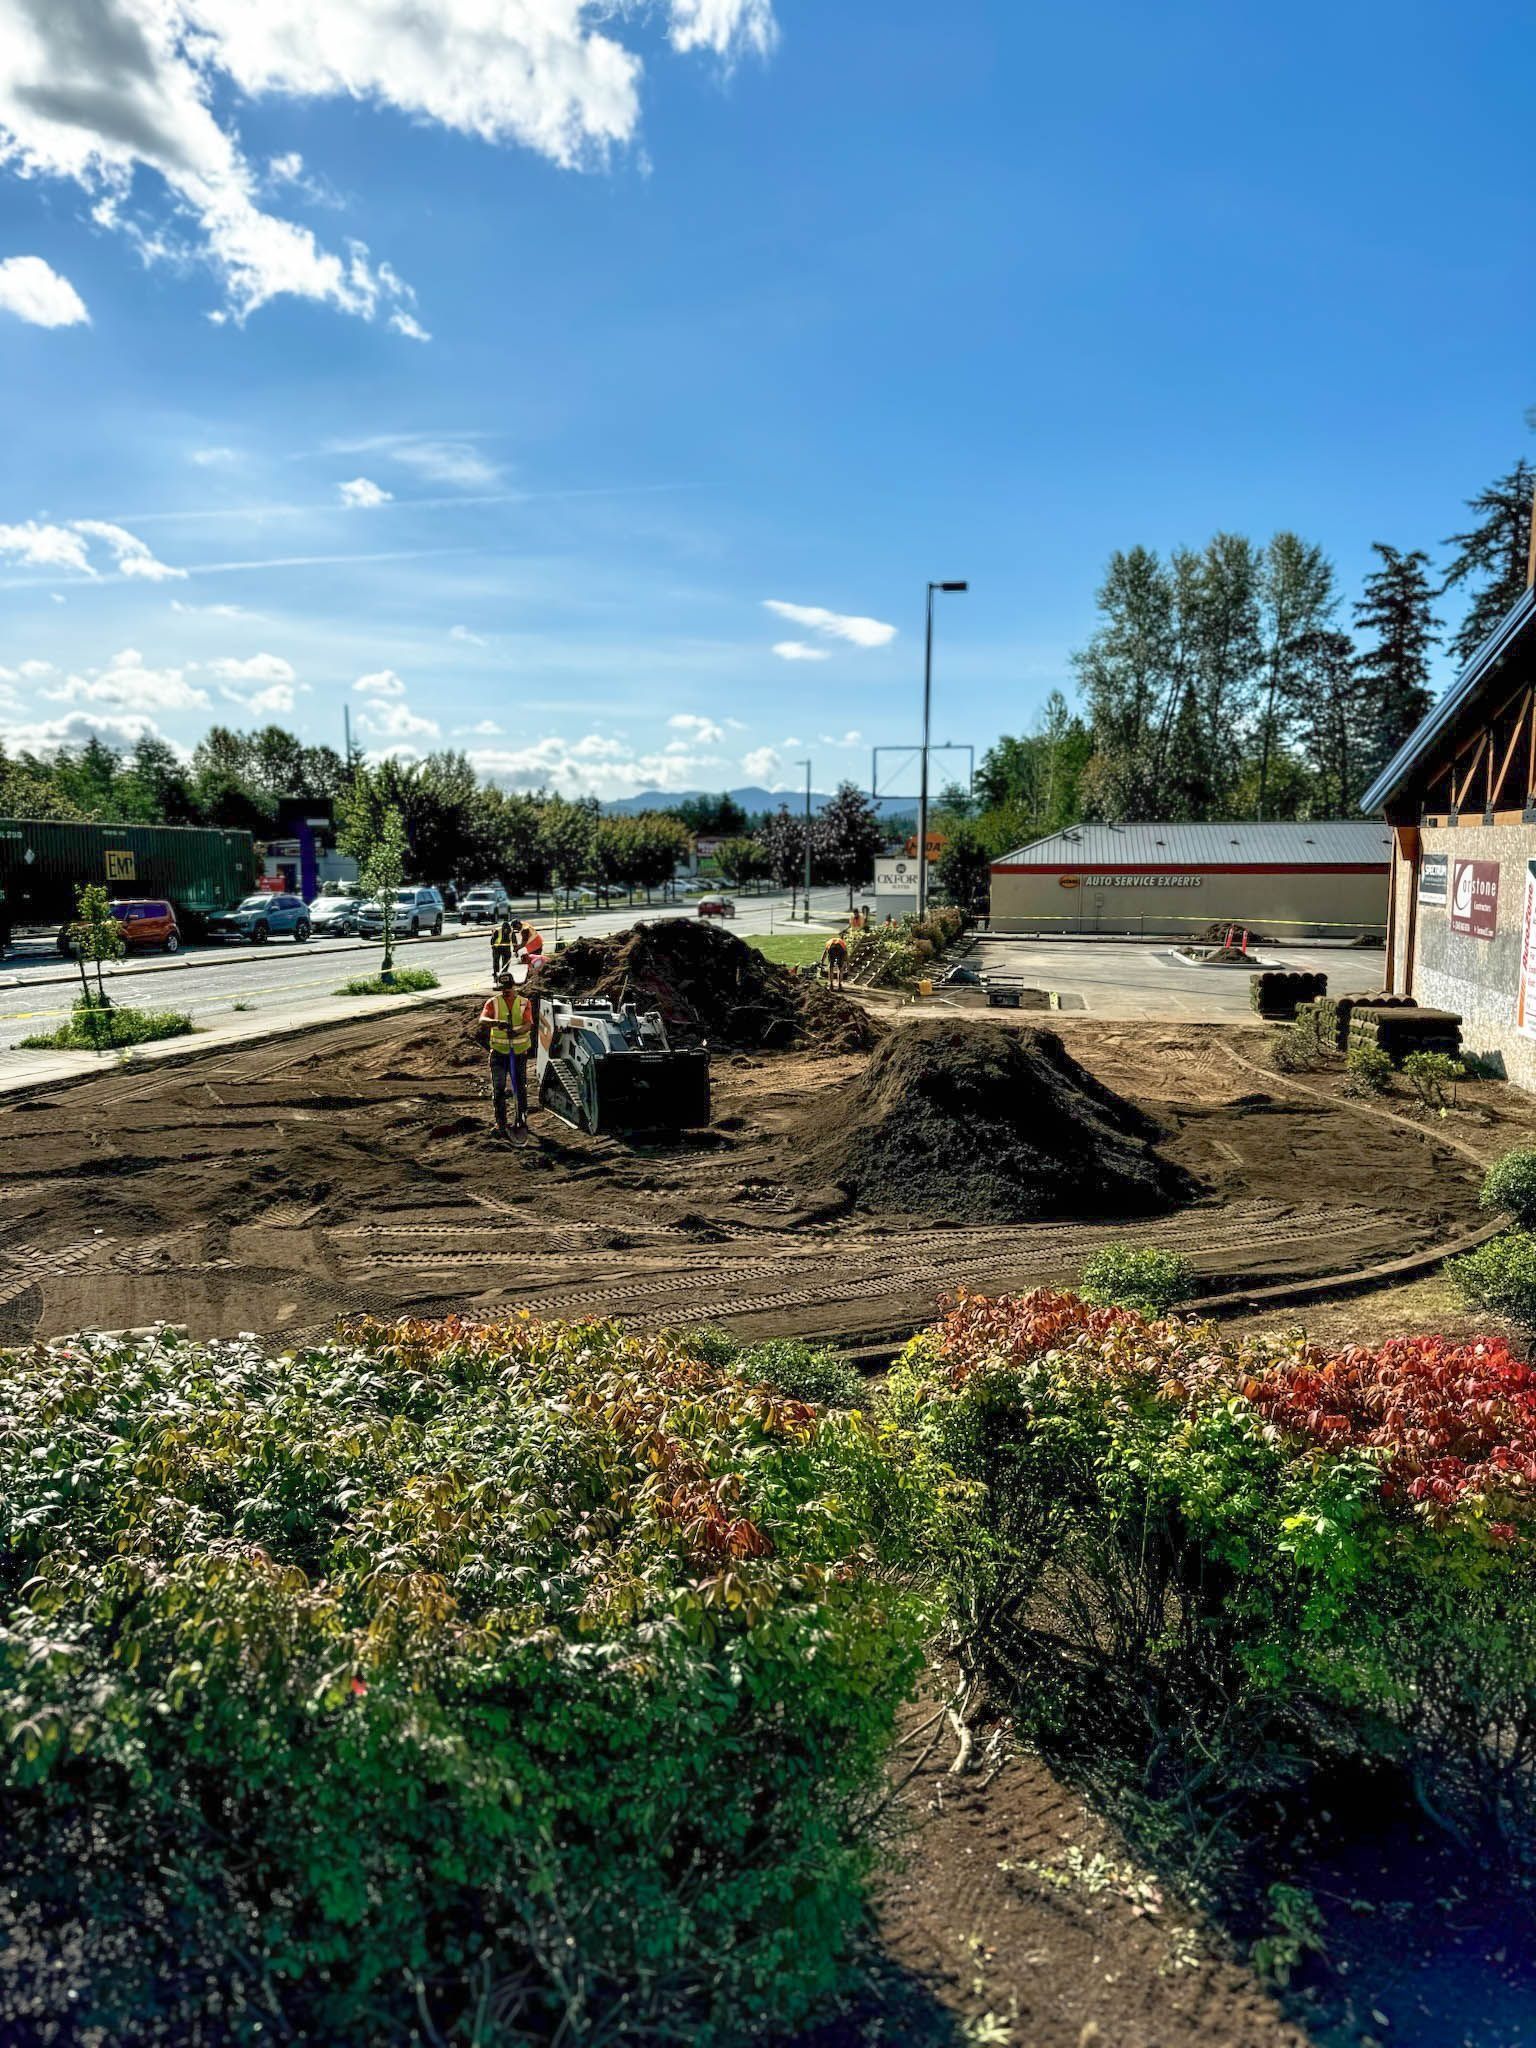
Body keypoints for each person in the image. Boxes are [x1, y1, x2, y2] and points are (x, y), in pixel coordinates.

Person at [477, 966, 535, 1138]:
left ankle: (521, 1120)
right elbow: (482, 1019)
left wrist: (517, 1032)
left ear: (514, 986)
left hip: (518, 1054)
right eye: (503, 989)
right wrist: (496, 1023)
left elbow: (528, 1024)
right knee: (499, 1088)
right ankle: (501, 1123)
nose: (506, 991)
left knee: (520, 1088)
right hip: (499, 1054)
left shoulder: (524, 1002)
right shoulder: (493, 1002)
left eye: (508, 988)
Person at [490, 913, 514, 978]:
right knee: (496, 961)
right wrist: (493, 947)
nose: (506, 931)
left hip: (506, 949)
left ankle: (504, 973)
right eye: (505, 929)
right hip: (497, 948)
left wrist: (515, 949)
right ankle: (496, 973)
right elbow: (492, 940)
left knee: (507, 961)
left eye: (507, 929)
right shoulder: (498, 931)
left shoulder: (511, 931)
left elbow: (514, 941)